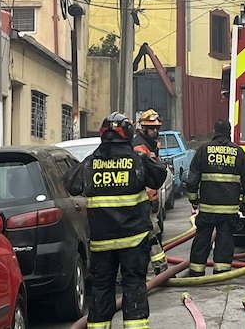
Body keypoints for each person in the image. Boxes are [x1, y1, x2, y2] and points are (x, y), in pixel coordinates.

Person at [65, 112, 168, 329]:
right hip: (133, 242)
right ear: (128, 134)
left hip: (102, 244)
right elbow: (158, 177)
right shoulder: (136, 161)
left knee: (102, 289)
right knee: (134, 286)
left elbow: (71, 184)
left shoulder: (91, 163)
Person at [185, 119, 245, 277]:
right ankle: (221, 273)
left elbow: (192, 180)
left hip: (207, 209)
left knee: (202, 239)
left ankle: (196, 272)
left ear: (214, 130)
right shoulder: (238, 152)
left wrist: (194, 201)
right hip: (229, 211)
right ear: (229, 132)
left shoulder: (203, 150)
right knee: (225, 241)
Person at [132, 109, 168, 275]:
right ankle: (160, 269)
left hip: (149, 199)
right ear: (143, 128)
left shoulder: (150, 144)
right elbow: (142, 176)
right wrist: (149, 199)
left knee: (153, 234)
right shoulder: (140, 146)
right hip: (142, 201)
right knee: (151, 235)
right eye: (152, 128)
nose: (155, 131)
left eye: (157, 128)